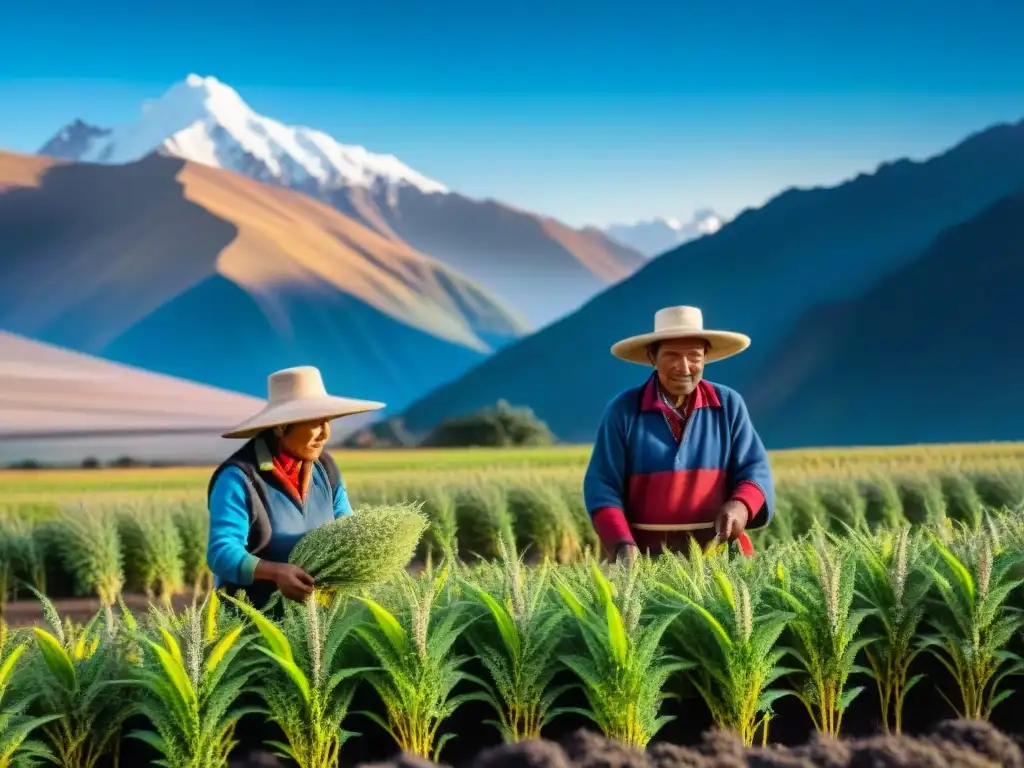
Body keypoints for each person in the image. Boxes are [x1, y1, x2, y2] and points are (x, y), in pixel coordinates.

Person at [583, 306, 774, 563]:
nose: (684, 367)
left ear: (705, 357)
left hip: (720, 557)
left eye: (694, 356)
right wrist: (622, 544)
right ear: (653, 357)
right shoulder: (624, 411)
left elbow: (755, 469)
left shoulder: (728, 405)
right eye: (672, 356)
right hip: (644, 560)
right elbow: (601, 485)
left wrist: (740, 506)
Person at [206, 365, 385, 609]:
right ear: (281, 426)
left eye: (327, 422)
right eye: (316, 423)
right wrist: (276, 573)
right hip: (251, 622)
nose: (325, 434)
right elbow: (222, 553)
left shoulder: (326, 469)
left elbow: (346, 528)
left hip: (315, 615)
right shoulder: (238, 478)